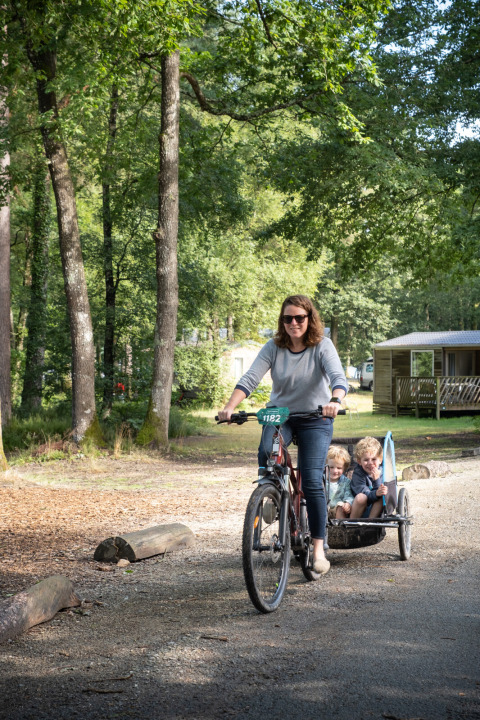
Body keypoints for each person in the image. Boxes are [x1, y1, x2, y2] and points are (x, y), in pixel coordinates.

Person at [218, 294, 348, 575]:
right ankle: (272, 492)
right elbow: (250, 378)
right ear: (282, 321)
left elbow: (338, 378)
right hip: (282, 416)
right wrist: (230, 408)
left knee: (312, 480)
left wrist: (335, 401)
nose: (293, 323)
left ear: (309, 319)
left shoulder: (322, 346)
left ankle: (317, 549)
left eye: (299, 318)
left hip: (316, 417)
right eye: (287, 318)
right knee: (267, 454)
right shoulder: (274, 347)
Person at [350, 436, 387, 518]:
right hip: (359, 509)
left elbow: (381, 493)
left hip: (375, 511)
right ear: (359, 461)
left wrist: (377, 480)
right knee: (361, 498)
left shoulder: (384, 473)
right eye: (366, 460)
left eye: (374, 459)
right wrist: (376, 491)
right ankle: (352, 527)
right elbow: (364, 494)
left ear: (380, 460)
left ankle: (370, 525)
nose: (370, 463)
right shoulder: (358, 474)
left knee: (383, 496)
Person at [326, 445, 354, 519]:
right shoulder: (321, 481)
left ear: (344, 468)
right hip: (324, 509)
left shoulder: (346, 482)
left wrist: (348, 503)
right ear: (325, 466)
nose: (335, 471)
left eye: (339, 468)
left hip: (338, 510)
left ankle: (340, 530)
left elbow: (349, 495)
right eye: (331, 467)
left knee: (340, 506)